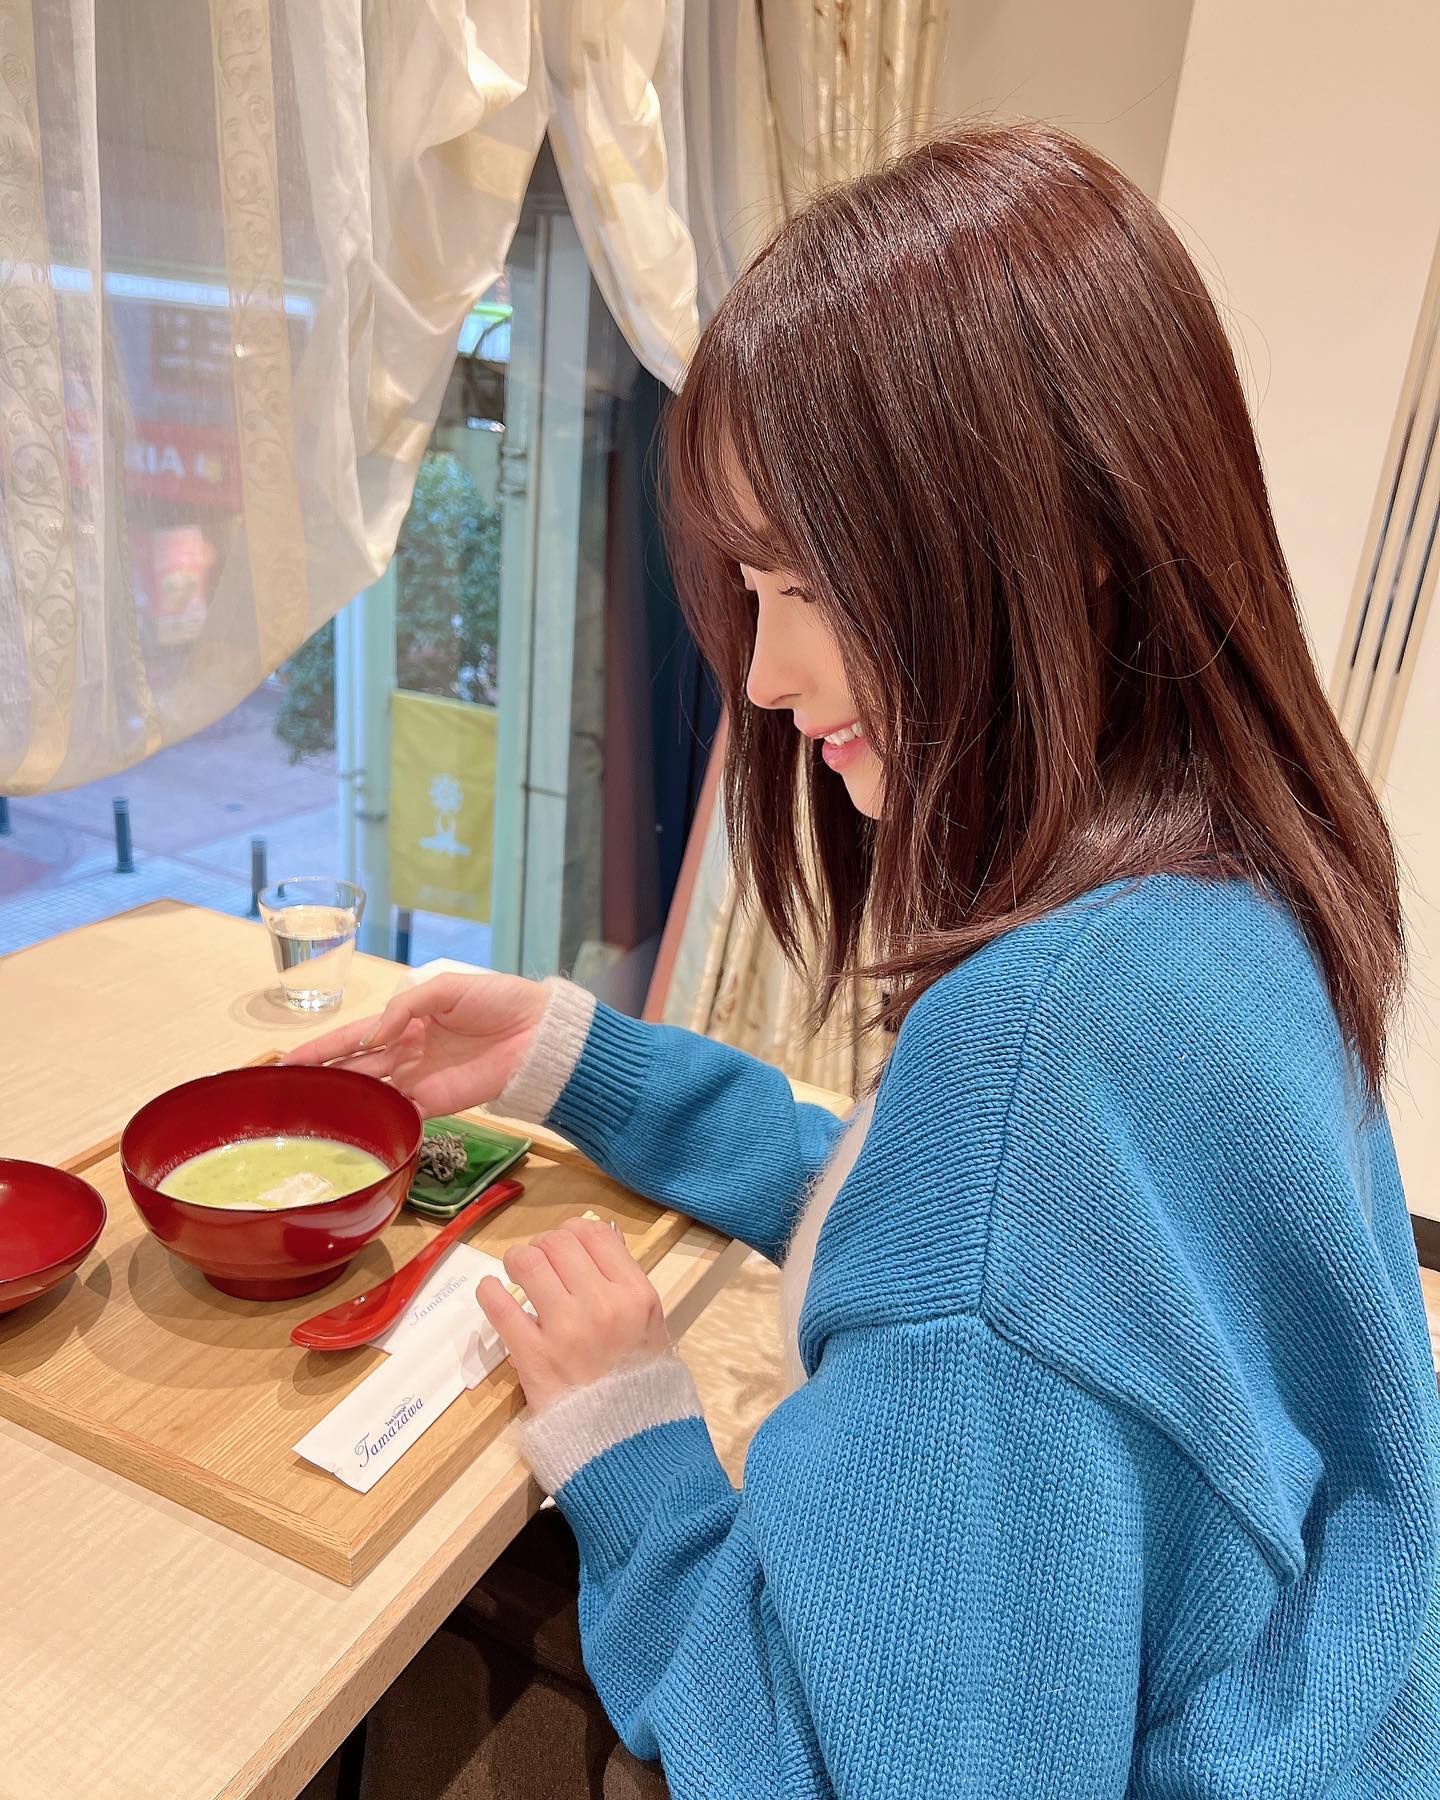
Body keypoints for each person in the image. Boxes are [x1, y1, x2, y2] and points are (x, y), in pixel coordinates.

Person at [292, 124, 1440, 1798]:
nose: (763, 674)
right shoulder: (1233, 903)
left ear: (1072, 537)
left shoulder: (1037, 1054)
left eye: (806, 582)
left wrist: (627, 1437)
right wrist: (580, 1058)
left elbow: (830, 1763)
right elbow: (989, 1259)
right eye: (754, 586)